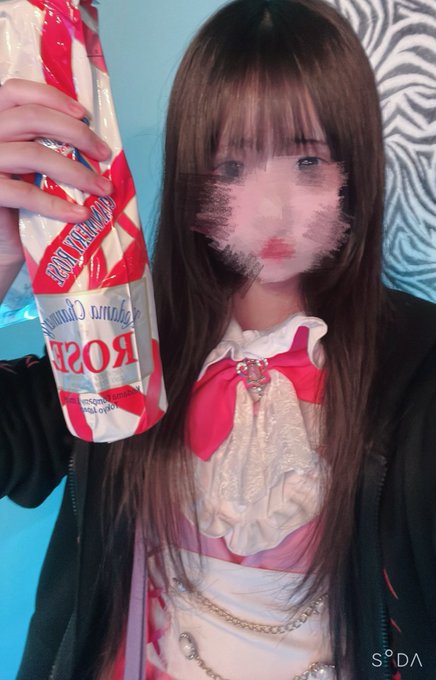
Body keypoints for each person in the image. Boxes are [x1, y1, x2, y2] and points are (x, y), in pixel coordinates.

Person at [0, 0, 435, 679]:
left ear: (355, 170)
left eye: (307, 161)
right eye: (232, 168)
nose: (271, 208)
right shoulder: (118, 335)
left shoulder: (419, 364)